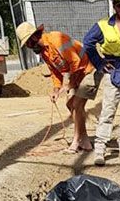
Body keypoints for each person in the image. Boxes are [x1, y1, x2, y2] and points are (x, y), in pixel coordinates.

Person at [16, 21, 97, 152]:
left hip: (88, 70)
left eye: (29, 43)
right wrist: (56, 90)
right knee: (70, 105)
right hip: (78, 74)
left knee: (76, 104)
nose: (29, 47)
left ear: (35, 36)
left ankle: (76, 141)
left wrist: (69, 85)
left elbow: (75, 62)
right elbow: (55, 72)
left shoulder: (57, 39)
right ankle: (85, 140)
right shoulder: (44, 52)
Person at [83, 0, 120, 165]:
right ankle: (100, 149)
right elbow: (88, 42)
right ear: (114, 7)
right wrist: (100, 64)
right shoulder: (103, 26)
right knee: (108, 110)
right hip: (113, 71)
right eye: (119, 5)